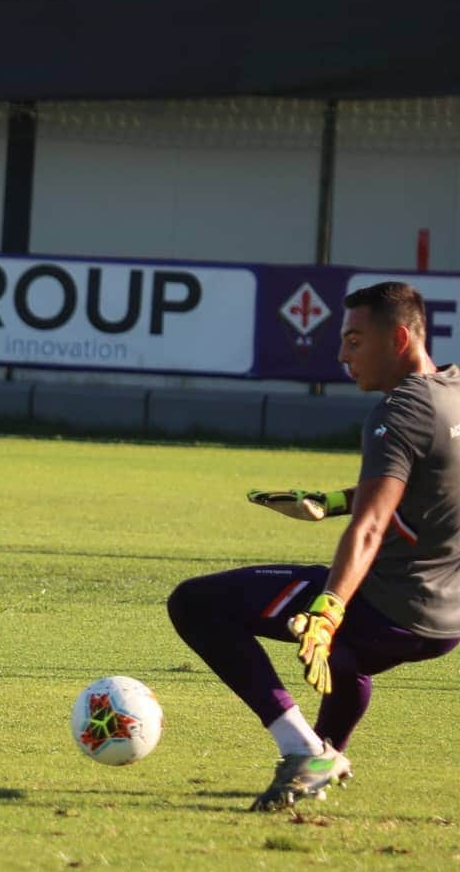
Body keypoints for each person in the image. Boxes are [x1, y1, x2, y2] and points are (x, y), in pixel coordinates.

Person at [167, 281, 460, 811]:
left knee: (195, 603)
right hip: (444, 624)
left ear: (397, 338)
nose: (342, 355)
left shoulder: (400, 413)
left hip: (385, 606)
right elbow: (430, 484)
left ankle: (301, 749)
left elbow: (372, 526)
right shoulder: (453, 390)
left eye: (353, 340)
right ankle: (325, 756)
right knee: (348, 662)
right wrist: (330, 500)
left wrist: (329, 610)